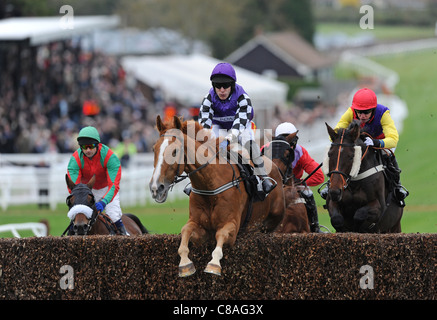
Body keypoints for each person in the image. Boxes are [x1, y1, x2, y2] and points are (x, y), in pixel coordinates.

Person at [320, 87, 409, 205]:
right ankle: (330, 184)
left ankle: (397, 186)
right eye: (359, 112)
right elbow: (338, 129)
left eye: (366, 112)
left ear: (373, 109)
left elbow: (393, 139)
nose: (362, 116)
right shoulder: (351, 111)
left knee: (387, 155)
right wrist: (342, 138)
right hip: (359, 140)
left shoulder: (383, 113)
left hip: (381, 141)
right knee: (340, 155)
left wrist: (377, 143)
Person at [198, 62, 276, 194]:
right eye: (218, 86)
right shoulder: (208, 98)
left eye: (225, 86)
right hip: (220, 126)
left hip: (241, 126)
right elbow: (204, 121)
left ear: (232, 85)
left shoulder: (242, 97)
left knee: (249, 144)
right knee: (205, 146)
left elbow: (239, 123)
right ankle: (197, 181)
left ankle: (264, 178)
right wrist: (206, 140)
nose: (221, 90)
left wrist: (228, 139)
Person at [66, 126, 128, 235]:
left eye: (91, 146)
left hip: (107, 189)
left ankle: (125, 236)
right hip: (86, 191)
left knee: (113, 215)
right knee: (77, 217)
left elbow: (113, 185)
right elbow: (74, 187)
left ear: (98, 145)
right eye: (84, 147)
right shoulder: (75, 159)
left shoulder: (110, 157)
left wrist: (104, 202)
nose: (88, 150)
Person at [273, 122, 326, 233]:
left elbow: (319, 176)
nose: (290, 146)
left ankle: (315, 227)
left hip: (294, 186)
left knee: (308, 193)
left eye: (292, 142)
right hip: (273, 185)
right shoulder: (265, 149)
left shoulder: (300, 152)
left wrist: (299, 182)